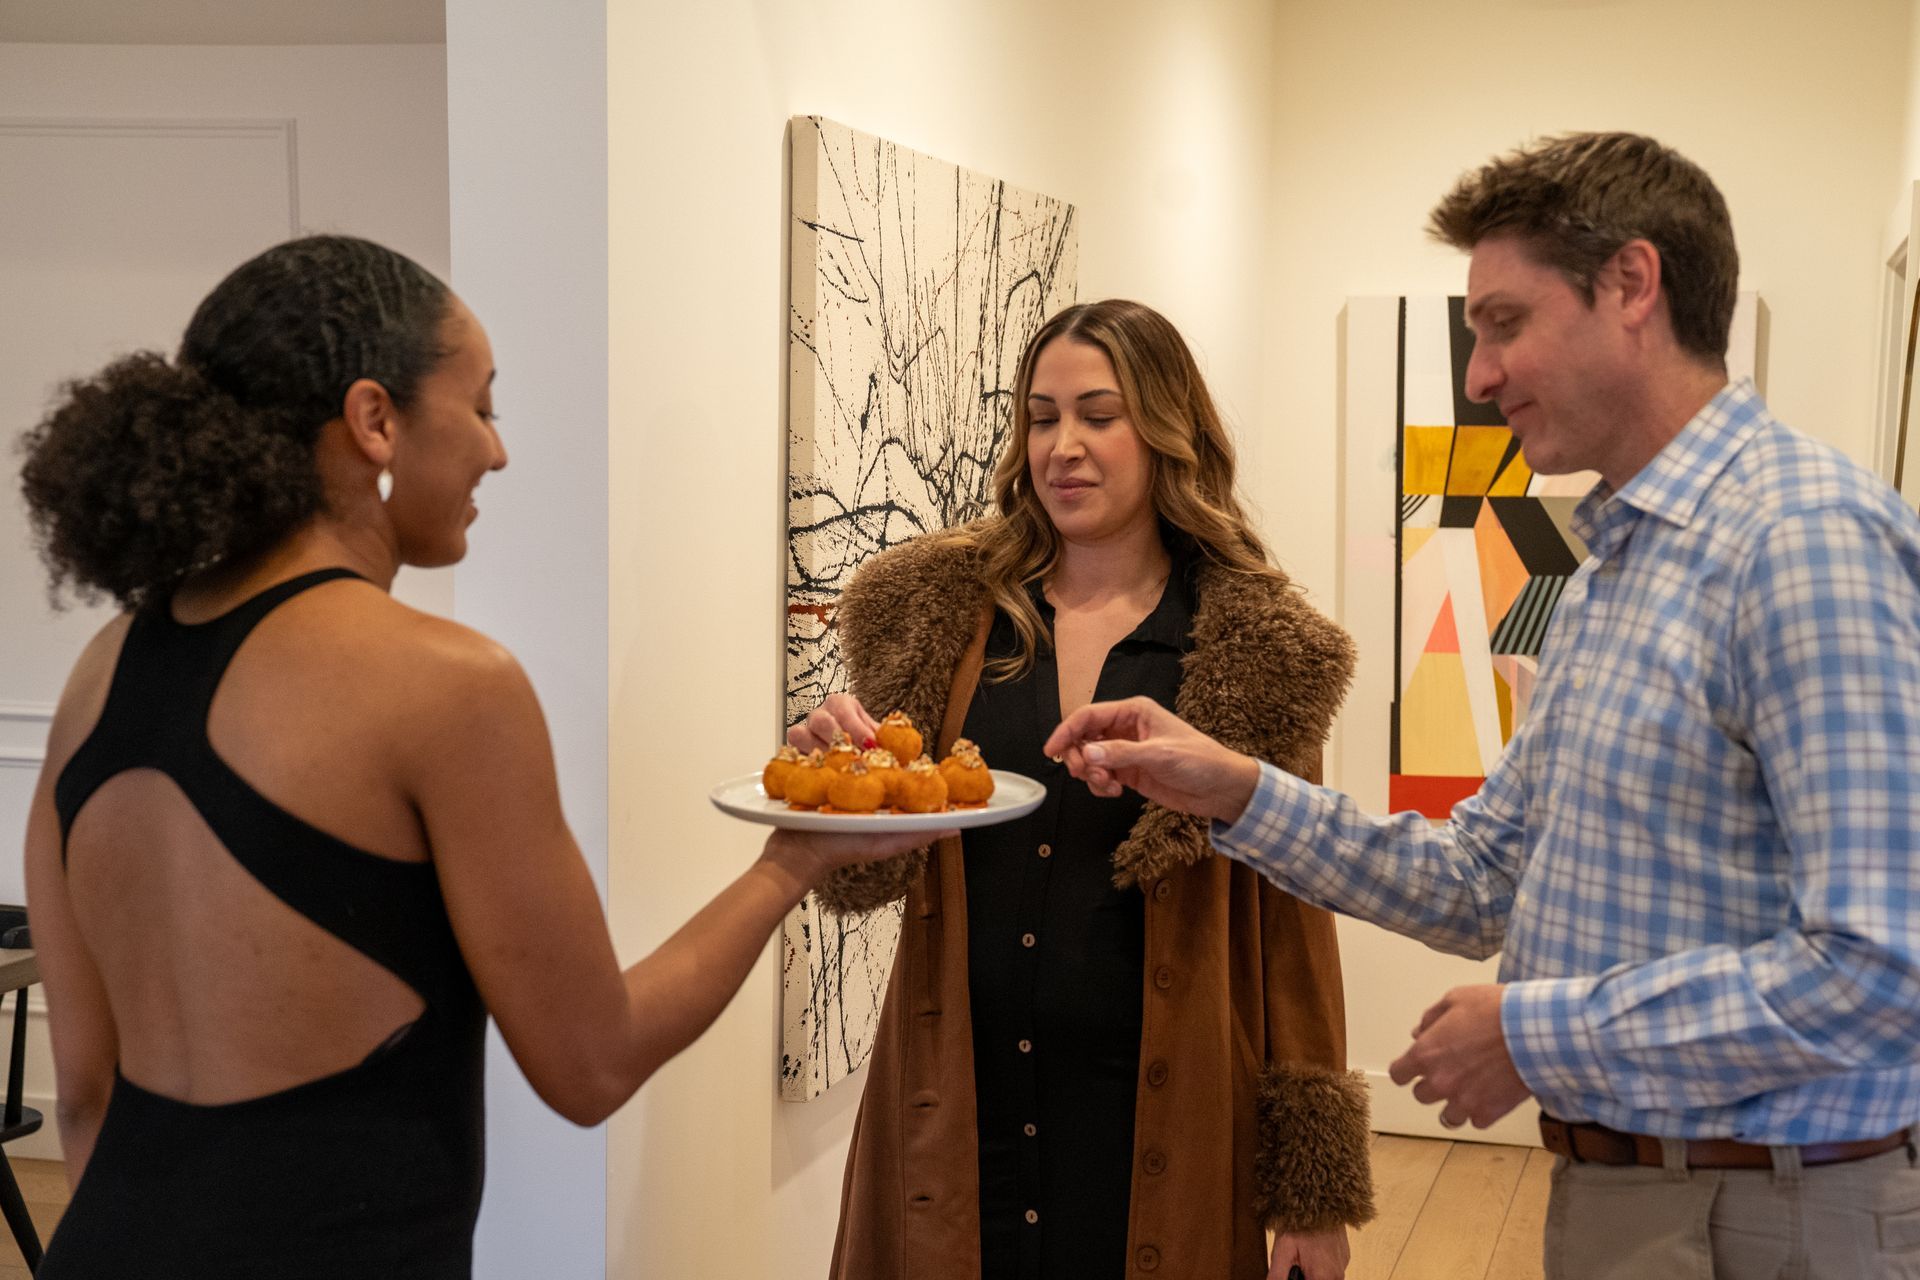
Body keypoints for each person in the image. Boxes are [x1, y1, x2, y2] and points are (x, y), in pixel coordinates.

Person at [1045, 133, 1920, 1280]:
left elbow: (1884, 967)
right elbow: (1482, 877)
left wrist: (1532, 1030)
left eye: (1504, 323)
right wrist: (1238, 790)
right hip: (1640, 1196)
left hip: (1762, 1215)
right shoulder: (1617, 563)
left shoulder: (1800, 543)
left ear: (1632, 287)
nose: (1479, 375)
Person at [16, 235, 935, 1279]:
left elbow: (83, 1091)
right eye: (483, 405)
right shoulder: (449, 683)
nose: (497, 451)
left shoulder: (107, 663)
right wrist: (792, 860)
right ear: (375, 419)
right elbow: (591, 1061)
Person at [790, 299, 1374, 1280]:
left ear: (1165, 428)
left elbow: (1292, 933)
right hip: (955, 1102)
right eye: (1041, 414)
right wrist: (833, 782)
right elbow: (866, 875)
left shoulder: (1258, 650)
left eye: (1098, 414)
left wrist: (1312, 1198)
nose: (1063, 445)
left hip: (1163, 1114)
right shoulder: (938, 610)